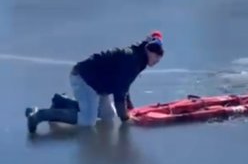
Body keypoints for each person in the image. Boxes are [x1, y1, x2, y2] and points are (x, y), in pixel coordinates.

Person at [25, 31, 165, 134]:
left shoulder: (138, 59)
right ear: (147, 49)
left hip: (99, 84)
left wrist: (129, 107)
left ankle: (61, 101)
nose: (157, 59)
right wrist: (126, 119)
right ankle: (39, 115)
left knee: (108, 116)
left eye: (159, 56)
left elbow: (124, 84)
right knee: (87, 121)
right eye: (156, 55)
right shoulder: (133, 60)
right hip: (85, 79)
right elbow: (119, 92)